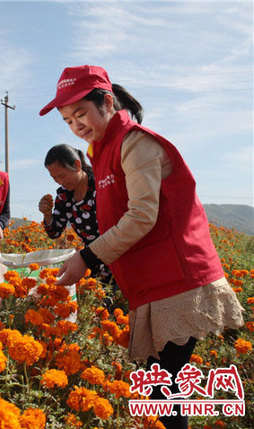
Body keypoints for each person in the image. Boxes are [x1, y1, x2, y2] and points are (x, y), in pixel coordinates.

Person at [39, 65, 244, 429]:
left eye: (81, 114)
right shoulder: (104, 150)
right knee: (162, 390)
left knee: (162, 392)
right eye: (68, 120)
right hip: (154, 283)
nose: (76, 125)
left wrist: (86, 257)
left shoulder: (136, 143)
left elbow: (142, 216)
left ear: (106, 101)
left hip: (179, 281)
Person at [38, 144, 111, 282]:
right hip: (92, 262)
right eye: (54, 178)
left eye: (62, 175)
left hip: (116, 255)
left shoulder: (101, 185)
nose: (59, 181)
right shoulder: (64, 196)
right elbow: (55, 232)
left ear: (77, 165)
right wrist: (47, 214)